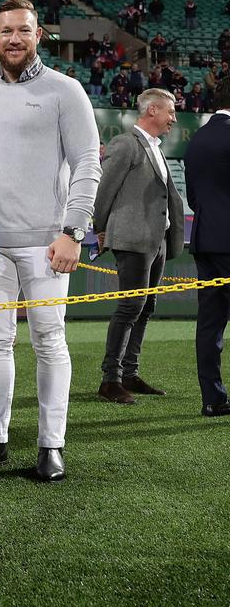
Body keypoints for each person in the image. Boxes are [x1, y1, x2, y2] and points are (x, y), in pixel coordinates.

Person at [0, 0, 101, 482]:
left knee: (49, 341)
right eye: (6, 31)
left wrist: (73, 231)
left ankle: (50, 446)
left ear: (39, 35)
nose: (15, 38)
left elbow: (87, 162)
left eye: (24, 30)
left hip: (48, 243)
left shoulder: (66, 90)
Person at [93, 88, 184, 405]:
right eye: (170, 112)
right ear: (153, 110)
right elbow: (103, 191)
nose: (173, 118)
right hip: (133, 239)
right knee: (130, 307)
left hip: (155, 239)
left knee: (146, 307)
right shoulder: (125, 144)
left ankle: (129, 373)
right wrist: (99, 228)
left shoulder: (155, 147)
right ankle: (110, 380)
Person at [184, 78, 230, 417]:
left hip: (204, 239)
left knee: (210, 324)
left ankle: (212, 399)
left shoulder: (197, 137)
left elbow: (194, 197)